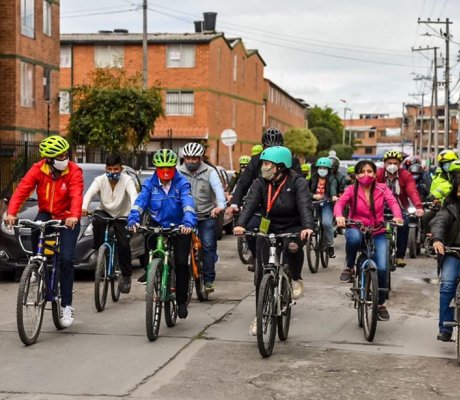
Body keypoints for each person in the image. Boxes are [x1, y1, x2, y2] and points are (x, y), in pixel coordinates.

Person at [233, 146, 314, 335]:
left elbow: (305, 205)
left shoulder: (297, 182)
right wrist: (241, 224)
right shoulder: (260, 183)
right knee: (261, 274)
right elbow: (250, 204)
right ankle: (260, 317)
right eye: (263, 163)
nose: (263, 167)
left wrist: (308, 226)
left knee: (293, 246)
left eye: (267, 164)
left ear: (280, 166)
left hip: (293, 226)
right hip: (267, 224)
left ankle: (295, 278)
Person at [5, 135, 83, 328]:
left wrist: (74, 215)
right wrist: (11, 212)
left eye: (66, 154)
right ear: (49, 159)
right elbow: (22, 190)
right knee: (35, 227)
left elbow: (76, 195)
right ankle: (37, 265)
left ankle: (66, 305)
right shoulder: (38, 170)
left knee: (65, 259)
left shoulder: (74, 171)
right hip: (47, 213)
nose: (65, 158)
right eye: (60, 156)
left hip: (67, 218)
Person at [127, 149, 196, 319]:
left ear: (174, 167)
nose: (165, 172)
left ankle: (180, 301)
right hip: (157, 224)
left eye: (169, 168)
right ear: (156, 169)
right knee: (147, 241)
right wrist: (133, 219)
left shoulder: (182, 183)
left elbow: (188, 203)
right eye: (161, 168)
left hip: (180, 226)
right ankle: (151, 273)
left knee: (181, 263)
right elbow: (140, 202)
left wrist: (188, 222)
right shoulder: (149, 184)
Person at [334, 160, 403, 321]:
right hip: (356, 227)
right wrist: (339, 216)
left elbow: (393, 202)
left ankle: (380, 304)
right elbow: (340, 203)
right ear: (357, 175)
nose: (366, 175)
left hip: (377, 231)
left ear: (375, 174)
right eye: (362, 171)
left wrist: (397, 216)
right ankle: (350, 267)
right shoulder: (351, 189)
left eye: (370, 171)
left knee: (383, 267)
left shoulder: (382, 188)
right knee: (353, 239)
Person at [229, 128, 302, 268]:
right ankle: (257, 257)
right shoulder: (256, 161)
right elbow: (244, 183)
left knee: (291, 248)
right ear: (263, 147)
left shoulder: (292, 161)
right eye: (269, 147)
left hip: (288, 210)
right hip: (265, 210)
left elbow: (300, 188)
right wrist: (234, 204)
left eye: (276, 147)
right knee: (251, 230)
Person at [82, 154, 138, 294]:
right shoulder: (100, 180)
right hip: (104, 211)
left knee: (124, 245)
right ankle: (101, 252)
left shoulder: (127, 180)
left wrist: (134, 213)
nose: (112, 172)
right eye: (110, 169)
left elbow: (133, 197)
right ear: (106, 168)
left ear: (121, 168)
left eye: (116, 169)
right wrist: (84, 207)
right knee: (97, 221)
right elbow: (89, 194)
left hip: (123, 215)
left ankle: (126, 276)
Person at [178, 142, 226, 294]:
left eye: (195, 158)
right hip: (185, 217)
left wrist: (220, 205)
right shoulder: (178, 172)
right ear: (184, 158)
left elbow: (218, 190)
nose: (191, 161)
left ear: (200, 158)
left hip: (206, 215)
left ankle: (209, 280)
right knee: (179, 248)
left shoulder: (210, 172)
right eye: (188, 158)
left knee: (208, 245)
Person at [376, 150, 424, 267]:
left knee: (405, 224)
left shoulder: (405, 175)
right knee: (372, 225)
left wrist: (418, 206)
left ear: (399, 164)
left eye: (395, 163)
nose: (392, 165)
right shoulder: (378, 174)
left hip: (399, 208)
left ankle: (400, 256)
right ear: (384, 163)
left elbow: (412, 191)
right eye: (389, 163)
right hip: (380, 208)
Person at [431, 174, 460, 341]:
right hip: (452, 252)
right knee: (448, 285)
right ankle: (445, 328)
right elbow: (439, 222)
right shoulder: (449, 206)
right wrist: (437, 240)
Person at [309, 157, 339, 258]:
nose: (322, 170)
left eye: (325, 168)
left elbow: (333, 188)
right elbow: (305, 190)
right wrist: (313, 196)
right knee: (309, 223)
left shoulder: (332, 179)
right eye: (320, 167)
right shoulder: (312, 178)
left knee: (326, 223)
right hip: (313, 203)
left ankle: (330, 245)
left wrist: (334, 196)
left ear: (329, 170)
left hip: (327, 203)